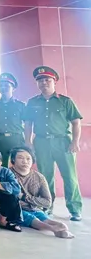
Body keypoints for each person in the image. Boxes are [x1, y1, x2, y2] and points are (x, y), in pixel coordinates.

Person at [23, 65, 83, 221]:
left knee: (69, 176)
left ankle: (75, 209)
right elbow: (28, 123)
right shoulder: (32, 102)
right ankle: (47, 207)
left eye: (47, 80)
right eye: (40, 80)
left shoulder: (65, 101)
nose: (44, 83)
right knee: (45, 177)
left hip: (63, 142)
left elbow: (76, 122)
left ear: (54, 81)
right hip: (41, 142)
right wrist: (28, 142)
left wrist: (75, 142)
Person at [10, 147, 73, 239]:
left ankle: (61, 227)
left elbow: (47, 202)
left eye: (28, 158)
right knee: (30, 217)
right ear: (13, 160)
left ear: (33, 160)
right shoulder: (7, 174)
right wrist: (34, 201)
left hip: (34, 209)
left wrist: (24, 197)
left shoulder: (39, 177)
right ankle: (53, 230)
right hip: (16, 210)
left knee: (46, 218)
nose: (25, 161)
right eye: (20, 158)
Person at [0, 73, 25, 168]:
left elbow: (27, 123)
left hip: (16, 139)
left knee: (18, 165)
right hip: (0, 139)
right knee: (1, 166)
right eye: (1, 85)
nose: (3, 88)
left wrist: (28, 140)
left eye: (7, 86)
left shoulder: (20, 105)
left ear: (13, 88)